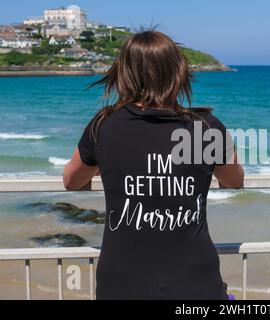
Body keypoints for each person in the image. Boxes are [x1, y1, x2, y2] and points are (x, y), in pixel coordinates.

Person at [63, 30, 244, 300]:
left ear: (124, 73)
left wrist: (109, 163)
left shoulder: (105, 125)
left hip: (122, 284)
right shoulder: (204, 128)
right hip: (194, 282)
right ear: (177, 73)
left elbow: (71, 180)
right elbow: (233, 180)